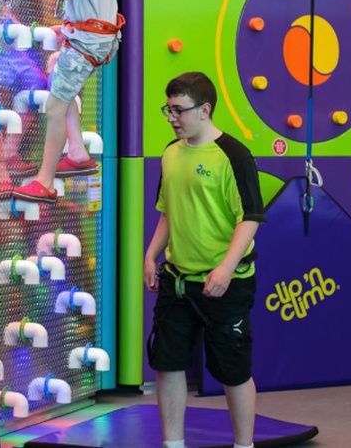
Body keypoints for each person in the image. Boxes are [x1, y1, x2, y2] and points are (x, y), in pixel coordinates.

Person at [143, 72, 265, 448]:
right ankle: (173, 443)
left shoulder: (234, 156)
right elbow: (168, 212)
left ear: (205, 109)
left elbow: (250, 217)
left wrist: (226, 268)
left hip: (225, 284)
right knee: (168, 363)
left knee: (233, 370)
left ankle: (243, 445)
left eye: (179, 110)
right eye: (168, 109)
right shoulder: (170, 152)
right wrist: (151, 256)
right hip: (177, 281)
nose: (172, 117)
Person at [12, 0, 124, 203]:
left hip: (88, 41)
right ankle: (76, 151)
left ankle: (45, 182)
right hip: (94, 38)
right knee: (57, 75)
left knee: (54, 106)